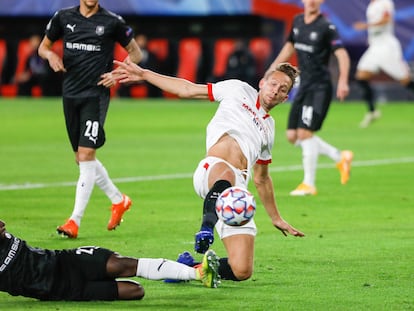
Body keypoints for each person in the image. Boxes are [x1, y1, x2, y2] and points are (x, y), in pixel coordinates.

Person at [111, 59, 305, 283]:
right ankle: (206, 228)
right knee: (227, 175)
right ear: (262, 83)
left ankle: (186, 269)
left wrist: (276, 217)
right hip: (213, 169)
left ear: (285, 97)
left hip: (238, 198)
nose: (275, 91)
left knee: (241, 270)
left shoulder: (269, 130)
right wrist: (145, 74)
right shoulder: (238, 89)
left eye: (282, 89)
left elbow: (261, 178)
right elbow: (188, 89)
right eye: (273, 84)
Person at [38, 0, 143, 238]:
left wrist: (118, 73)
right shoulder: (63, 17)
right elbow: (43, 47)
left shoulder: (112, 21)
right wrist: (50, 57)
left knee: (86, 155)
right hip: (70, 94)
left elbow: (136, 53)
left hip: (95, 96)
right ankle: (119, 200)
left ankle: (74, 221)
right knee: (81, 158)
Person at [0, 219, 220, 301]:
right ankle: (177, 274)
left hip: (64, 262)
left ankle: (198, 273)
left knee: (121, 264)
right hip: (64, 291)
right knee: (136, 291)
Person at [267, 0, 354, 196]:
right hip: (303, 85)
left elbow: (342, 55)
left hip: (319, 88)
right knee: (292, 136)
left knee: (305, 134)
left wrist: (343, 80)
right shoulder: (297, 21)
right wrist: (272, 70)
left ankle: (309, 184)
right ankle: (340, 156)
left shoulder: (326, 26)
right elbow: (289, 48)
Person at [353, 0, 414, 128]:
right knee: (361, 77)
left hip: (387, 47)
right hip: (375, 47)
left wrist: (365, 26)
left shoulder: (385, 2)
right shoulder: (372, 4)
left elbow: (387, 19)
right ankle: (372, 112)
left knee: (406, 81)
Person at [118, 33, 162, 98]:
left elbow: (155, 70)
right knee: (125, 83)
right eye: (139, 40)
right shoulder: (130, 56)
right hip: (133, 78)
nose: (141, 42)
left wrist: (145, 77)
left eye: (142, 40)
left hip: (148, 79)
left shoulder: (153, 56)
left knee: (155, 84)